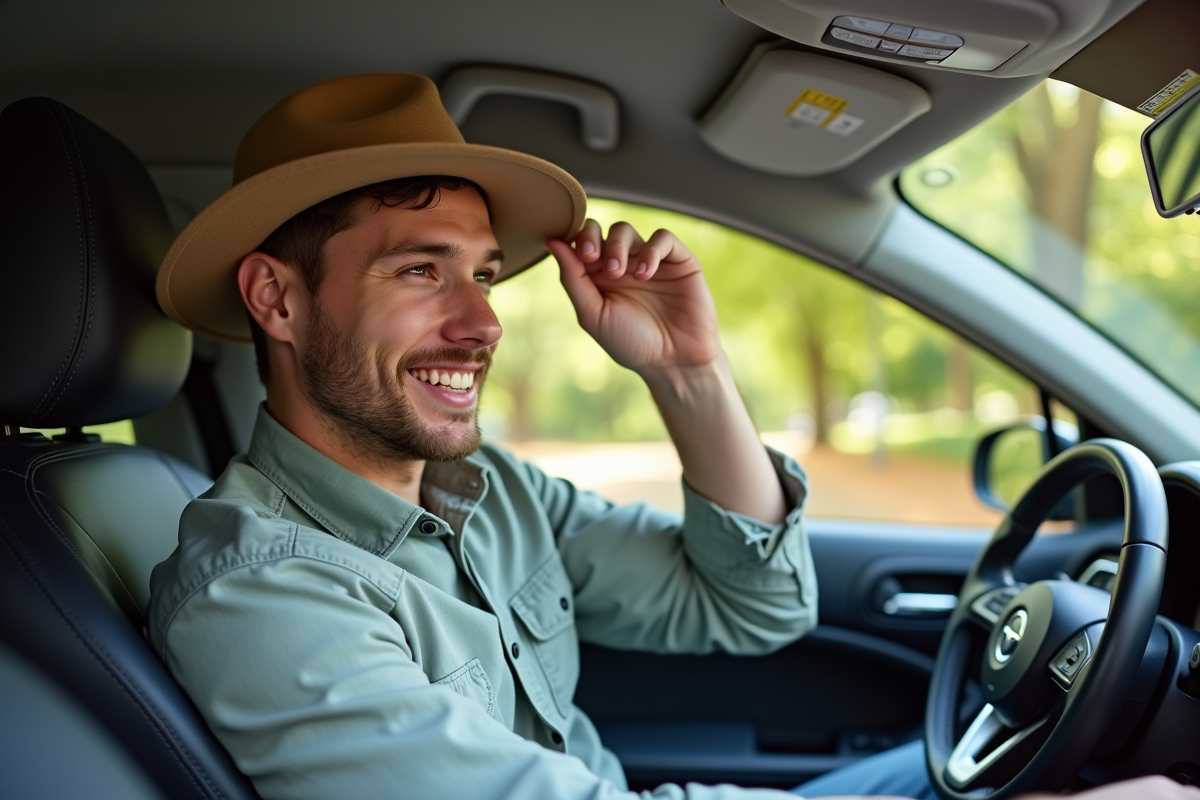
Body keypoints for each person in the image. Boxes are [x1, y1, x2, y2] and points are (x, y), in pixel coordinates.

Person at [145, 72, 1174, 800]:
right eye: (420, 271)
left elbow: (753, 604)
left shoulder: (485, 489)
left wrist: (688, 373)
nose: (484, 322)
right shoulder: (259, 586)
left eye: (486, 273)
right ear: (277, 300)